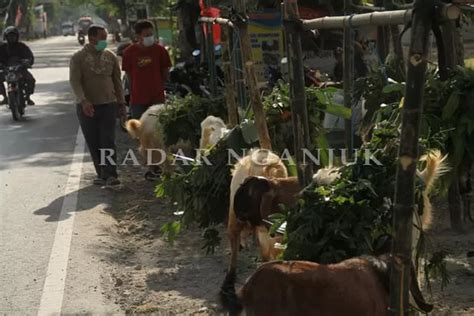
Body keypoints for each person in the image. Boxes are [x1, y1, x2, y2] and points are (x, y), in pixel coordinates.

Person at [69, 24, 125, 186]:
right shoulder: (78, 58)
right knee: (94, 141)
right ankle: (101, 174)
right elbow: (75, 82)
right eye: (102, 38)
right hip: (87, 107)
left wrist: (121, 102)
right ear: (91, 37)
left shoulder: (110, 56)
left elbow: (117, 81)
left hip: (109, 104)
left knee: (107, 140)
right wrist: (83, 100)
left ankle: (111, 174)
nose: (104, 41)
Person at [122, 19, 171, 119]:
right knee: (140, 128)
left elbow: (165, 70)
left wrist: (160, 85)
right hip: (138, 99)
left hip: (157, 98)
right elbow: (128, 76)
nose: (150, 37)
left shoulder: (160, 51)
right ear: (138, 36)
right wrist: (132, 94)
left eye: (151, 34)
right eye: (147, 35)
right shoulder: (129, 52)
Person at [0, 26, 36, 105]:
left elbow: (30, 56)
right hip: (7, 70)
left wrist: (28, 61)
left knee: (31, 80)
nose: (12, 38)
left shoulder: (22, 46)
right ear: (6, 37)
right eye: (10, 36)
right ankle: (5, 97)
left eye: (13, 36)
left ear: (17, 36)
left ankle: (28, 97)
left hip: (20, 70)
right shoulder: (2, 48)